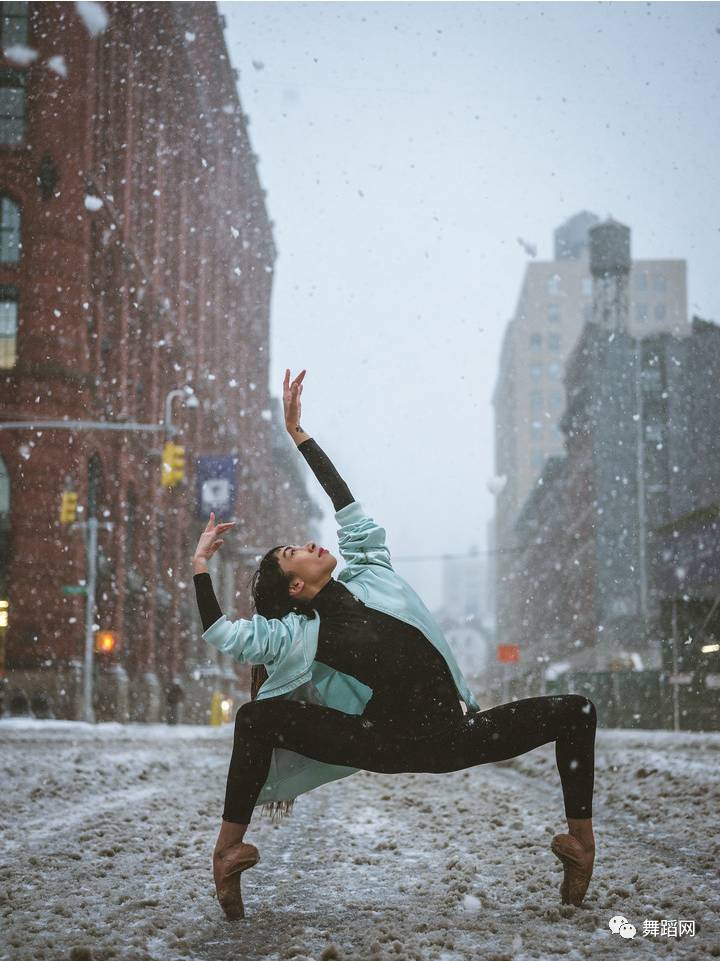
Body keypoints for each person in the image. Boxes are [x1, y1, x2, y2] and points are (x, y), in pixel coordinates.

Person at [192, 369, 597, 920]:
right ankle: (227, 850)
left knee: (578, 712)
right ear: (295, 586)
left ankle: (580, 845)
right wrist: (199, 569)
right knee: (255, 720)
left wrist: (299, 435)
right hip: (378, 741)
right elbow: (223, 635)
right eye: (295, 552)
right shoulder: (295, 635)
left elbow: (348, 508)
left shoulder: (371, 576)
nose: (311, 544)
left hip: (451, 735)